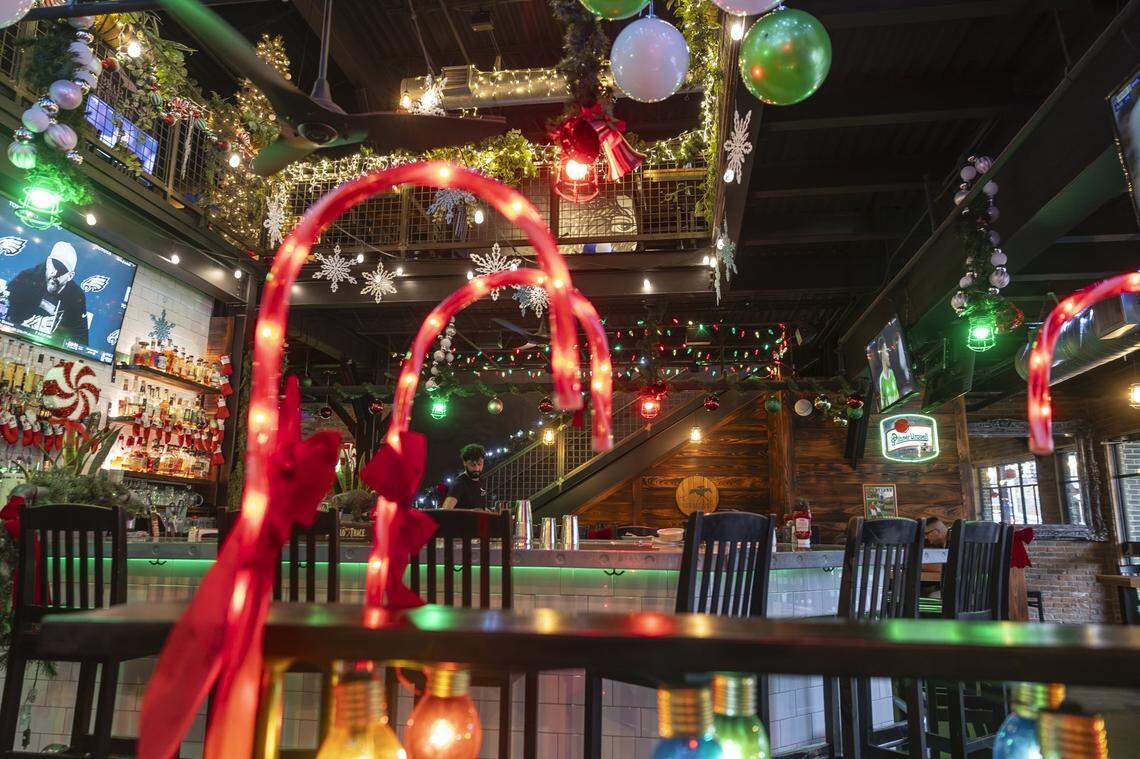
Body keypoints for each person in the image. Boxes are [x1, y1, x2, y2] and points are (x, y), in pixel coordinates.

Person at [6, 241, 89, 345]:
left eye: (62, 270)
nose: (55, 273)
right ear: (48, 262)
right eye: (54, 265)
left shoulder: (76, 296)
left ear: (70, 276)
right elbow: (8, 315)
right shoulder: (26, 278)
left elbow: (81, 338)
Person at [440, 443, 487, 510]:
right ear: (464, 462)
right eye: (472, 465)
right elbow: (446, 510)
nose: (477, 468)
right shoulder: (459, 484)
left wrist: (485, 510)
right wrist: (471, 512)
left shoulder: (481, 481)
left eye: (480, 464)